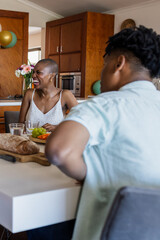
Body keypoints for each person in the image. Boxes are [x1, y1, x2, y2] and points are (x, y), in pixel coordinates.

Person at [45, 25, 160, 239]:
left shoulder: (103, 103)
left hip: (110, 231)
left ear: (119, 63)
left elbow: (60, 151)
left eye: (104, 63)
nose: (102, 72)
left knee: (43, 223)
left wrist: (92, 175)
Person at [19, 59, 78, 132]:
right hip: (30, 142)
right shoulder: (29, 94)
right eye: (33, 72)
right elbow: (20, 124)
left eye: (38, 72)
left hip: (55, 143)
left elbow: (82, 122)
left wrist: (57, 127)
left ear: (51, 76)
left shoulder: (65, 95)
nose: (33, 75)